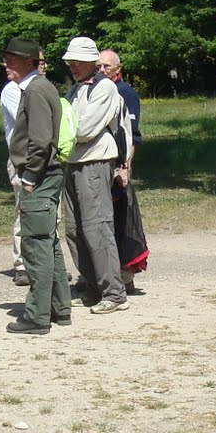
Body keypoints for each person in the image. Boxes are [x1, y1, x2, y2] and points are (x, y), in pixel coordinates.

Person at [4, 37, 72, 334]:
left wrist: (30, 176)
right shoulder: (41, 87)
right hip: (48, 174)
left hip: (41, 177)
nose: (6, 62)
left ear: (29, 62)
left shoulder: (34, 90)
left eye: (12, 58)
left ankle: (37, 316)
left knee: (35, 246)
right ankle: (59, 308)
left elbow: (41, 140)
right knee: (48, 242)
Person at [61, 36, 129, 313]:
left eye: (77, 61)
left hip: (95, 163)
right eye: (70, 62)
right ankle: (91, 287)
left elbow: (83, 130)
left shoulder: (105, 89)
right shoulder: (74, 90)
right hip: (72, 161)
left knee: (97, 227)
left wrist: (61, 132)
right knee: (74, 229)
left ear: (91, 62)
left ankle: (114, 293)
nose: (73, 66)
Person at [99, 48, 148, 294]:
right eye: (99, 66)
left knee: (122, 219)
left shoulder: (125, 93)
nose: (102, 70)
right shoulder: (95, 90)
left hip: (120, 165)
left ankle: (125, 276)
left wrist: (125, 167)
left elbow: (132, 136)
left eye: (106, 66)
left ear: (118, 69)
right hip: (100, 165)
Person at [0, 59, 30, 287]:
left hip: (40, 157)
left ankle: (44, 262)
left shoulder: (37, 88)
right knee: (24, 208)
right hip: (21, 159)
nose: (6, 66)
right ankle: (21, 264)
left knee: (47, 211)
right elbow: (26, 121)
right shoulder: (12, 91)